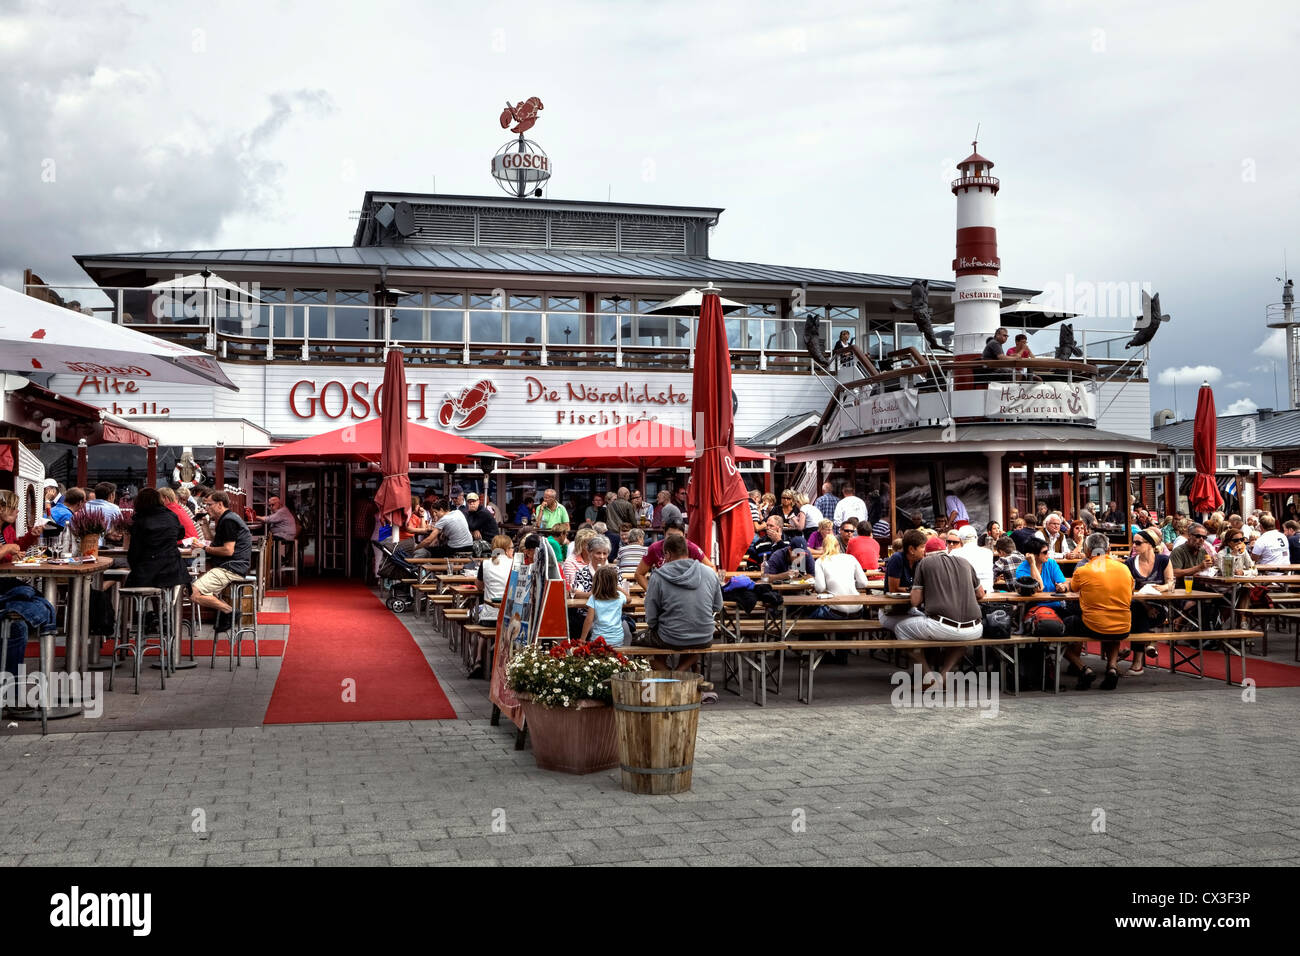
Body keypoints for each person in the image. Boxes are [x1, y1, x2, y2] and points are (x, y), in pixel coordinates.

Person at [893, 535, 985, 682]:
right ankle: (943, 677)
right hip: (974, 628)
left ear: (926, 552)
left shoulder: (924, 563)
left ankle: (928, 677)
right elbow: (980, 594)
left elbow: (915, 601)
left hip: (942, 625)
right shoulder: (964, 562)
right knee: (961, 640)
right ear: (946, 549)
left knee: (900, 629)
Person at [641, 534, 722, 673]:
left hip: (670, 636)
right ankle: (681, 673)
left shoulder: (658, 576)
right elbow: (717, 606)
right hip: (705, 635)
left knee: (639, 647)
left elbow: (651, 618)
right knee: (694, 642)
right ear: (687, 551)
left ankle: (674, 677)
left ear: (667, 554)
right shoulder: (709, 572)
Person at [1065, 533, 1135, 690]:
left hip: (1094, 625)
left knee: (1058, 629)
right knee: (1113, 628)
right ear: (1108, 550)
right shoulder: (1124, 568)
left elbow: (1073, 588)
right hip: (1123, 626)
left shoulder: (1083, 570)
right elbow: (1132, 589)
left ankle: (1083, 668)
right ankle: (1111, 667)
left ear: (1087, 551)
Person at [191, 491, 253, 632]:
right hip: (231, 566)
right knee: (200, 590)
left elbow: (228, 550)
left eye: (209, 505)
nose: (206, 508)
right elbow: (215, 544)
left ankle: (229, 612)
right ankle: (226, 612)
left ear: (220, 504)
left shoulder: (228, 521)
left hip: (231, 568)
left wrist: (204, 548)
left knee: (193, 591)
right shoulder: (227, 518)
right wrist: (205, 526)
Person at [1124, 527, 1173, 673]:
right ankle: (1147, 644)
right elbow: (1128, 590)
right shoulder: (1130, 563)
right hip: (1138, 605)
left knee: (1137, 616)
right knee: (1137, 611)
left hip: (1159, 607)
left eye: (1138, 543)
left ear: (1150, 544)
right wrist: (1146, 606)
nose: (1134, 546)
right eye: (1133, 542)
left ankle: (1137, 660)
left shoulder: (1163, 560)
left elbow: (1171, 583)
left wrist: (1163, 587)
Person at [124, 487, 190, 593]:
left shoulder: (140, 521)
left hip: (148, 572)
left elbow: (134, 553)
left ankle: (146, 609)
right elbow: (180, 534)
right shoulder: (171, 515)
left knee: (131, 584)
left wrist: (134, 567)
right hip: (174, 571)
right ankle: (167, 609)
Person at [634, 517, 712, 590]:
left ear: (684, 535)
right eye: (670, 536)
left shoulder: (692, 548)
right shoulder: (654, 548)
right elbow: (639, 574)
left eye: (678, 536)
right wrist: (652, 592)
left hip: (686, 590)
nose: (674, 540)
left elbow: (711, 569)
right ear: (664, 533)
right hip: (664, 592)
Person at [879, 529, 927, 634]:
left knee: (928, 624)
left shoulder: (919, 561)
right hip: (891, 612)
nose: (925, 550)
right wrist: (915, 590)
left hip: (910, 610)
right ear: (911, 549)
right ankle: (909, 650)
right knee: (921, 628)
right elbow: (893, 589)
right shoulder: (897, 559)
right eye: (922, 547)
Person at [581, 564, 631, 648]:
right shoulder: (620, 596)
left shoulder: (594, 598)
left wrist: (582, 639)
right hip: (617, 639)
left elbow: (589, 620)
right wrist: (618, 587)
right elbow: (629, 599)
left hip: (599, 640)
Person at [951, 524, 994, 591]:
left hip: (965, 595)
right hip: (988, 591)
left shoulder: (954, 553)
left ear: (960, 540)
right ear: (976, 538)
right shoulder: (988, 552)